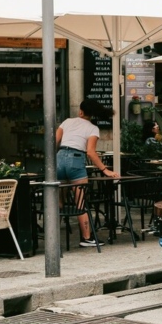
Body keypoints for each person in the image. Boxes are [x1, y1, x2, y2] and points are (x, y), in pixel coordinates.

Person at [56, 99, 119, 248]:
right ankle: (86, 238)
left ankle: (53, 235)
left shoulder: (67, 122)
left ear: (81, 111)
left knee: (58, 200)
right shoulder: (92, 128)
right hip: (76, 159)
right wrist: (105, 169)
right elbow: (90, 152)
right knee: (80, 203)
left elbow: (54, 141)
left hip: (59, 158)